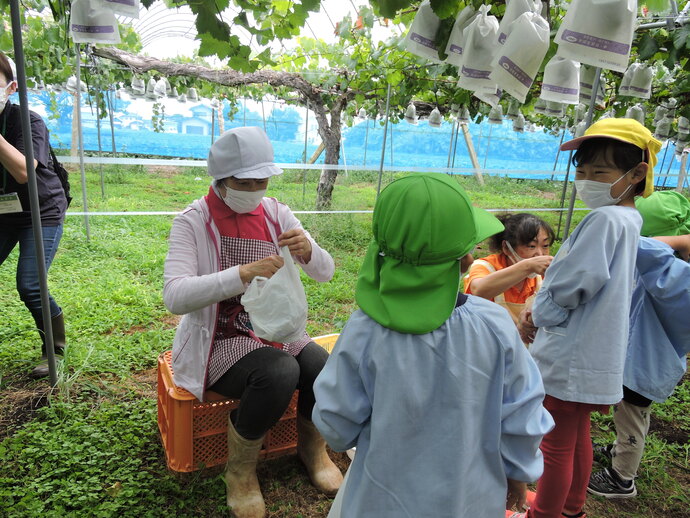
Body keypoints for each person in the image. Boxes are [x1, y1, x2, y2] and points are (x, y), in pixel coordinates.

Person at [312, 173, 554, 518]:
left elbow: (336, 424)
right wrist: (519, 472)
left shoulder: (365, 330)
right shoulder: (494, 325)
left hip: (381, 499)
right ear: (467, 259)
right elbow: (521, 411)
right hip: (470, 497)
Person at [163, 126, 342, 518]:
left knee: (319, 367)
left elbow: (326, 272)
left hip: (272, 325)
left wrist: (310, 250)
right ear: (222, 180)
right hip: (219, 336)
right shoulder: (193, 222)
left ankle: (312, 450)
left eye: (262, 180)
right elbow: (175, 295)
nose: (255, 188)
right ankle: (240, 471)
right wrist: (241, 274)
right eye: (245, 182)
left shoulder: (277, 213)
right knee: (278, 372)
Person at [509, 118, 661, 518]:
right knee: (577, 438)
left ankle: (544, 513)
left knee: (554, 445)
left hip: (570, 354)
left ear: (637, 173)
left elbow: (576, 283)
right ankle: (572, 508)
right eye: (581, 171)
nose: (587, 180)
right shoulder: (629, 219)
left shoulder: (604, 220)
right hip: (595, 355)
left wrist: (538, 315)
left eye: (600, 172)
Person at [587, 190, 690, 499]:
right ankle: (620, 449)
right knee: (628, 414)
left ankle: (622, 478)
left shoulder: (675, 276)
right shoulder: (670, 270)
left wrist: (679, 239)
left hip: (644, 367)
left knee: (632, 418)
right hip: (643, 361)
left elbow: (637, 245)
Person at [0, 51, 68, 378]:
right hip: (4, 212)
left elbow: (24, 171)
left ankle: (54, 347)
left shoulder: (28, 121)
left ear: (11, 87)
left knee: (29, 284)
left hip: (42, 211)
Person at [464, 213, 554, 326]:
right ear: (506, 247)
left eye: (545, 246)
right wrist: (528, 266)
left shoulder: (542, 275)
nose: (540, 254)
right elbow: (479, 291)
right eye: (531, 246)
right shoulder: (485, 266)